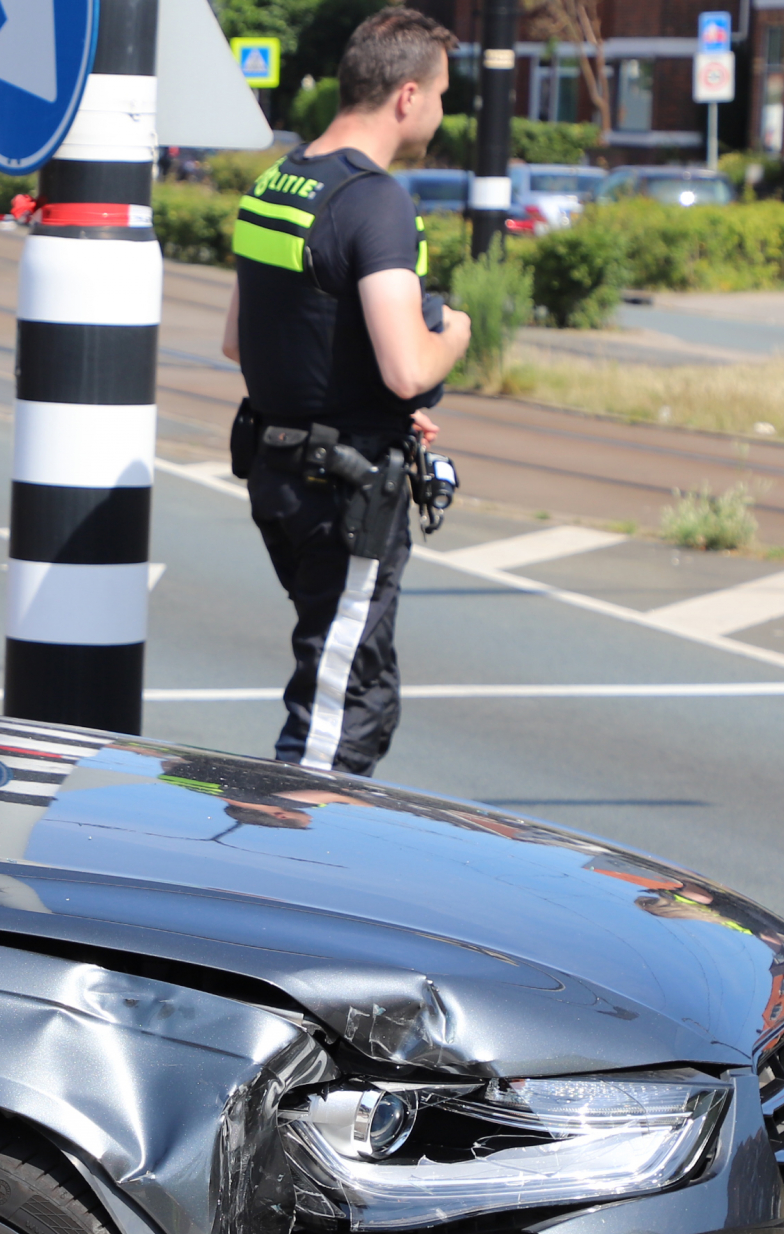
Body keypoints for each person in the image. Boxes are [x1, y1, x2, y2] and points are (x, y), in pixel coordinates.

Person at [219, 7, 468, 778]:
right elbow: (406, 367)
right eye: (441, 93)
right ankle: (284, 869)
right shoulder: (374, 199)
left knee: (353, 682)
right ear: (406, 95)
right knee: (340, 711)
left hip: (281, 469)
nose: (442, 111)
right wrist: (454, 331)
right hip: (345, 493)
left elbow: (240, 340)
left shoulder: (280, 180)